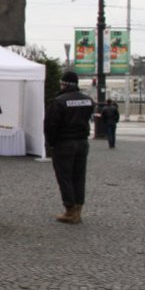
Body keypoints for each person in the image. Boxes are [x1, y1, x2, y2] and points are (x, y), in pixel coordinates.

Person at [44, 70, 96, 223]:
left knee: (65, 177)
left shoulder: (59, 101)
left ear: (64, 84)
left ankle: (70, 210)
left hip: (64, 143)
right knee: (79, 176)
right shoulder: (88, 100)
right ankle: (78, 209)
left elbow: (51, 125)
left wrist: (51, 144)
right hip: (82, 142)